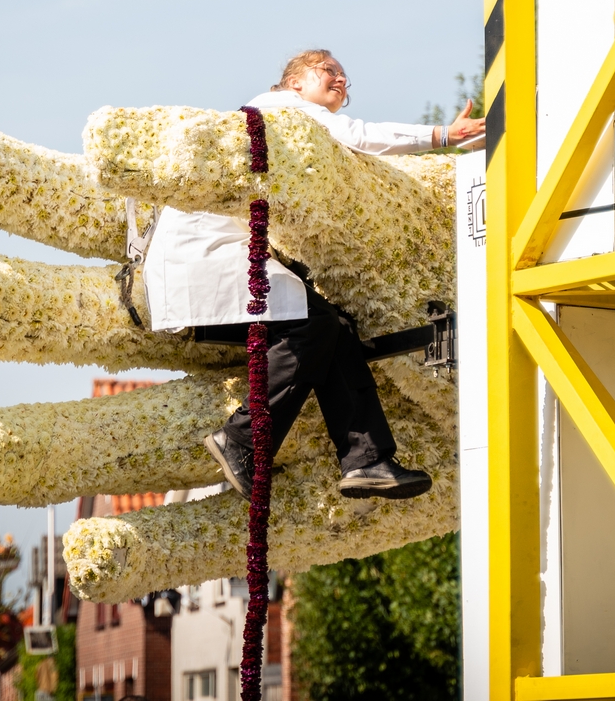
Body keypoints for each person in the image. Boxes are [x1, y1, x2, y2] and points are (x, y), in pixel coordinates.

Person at [140, 50, 485, 499]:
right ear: (295, 82)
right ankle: (243, 438)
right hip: (207, 256)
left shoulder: (290, 119)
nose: (342, 80)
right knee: (316, 326)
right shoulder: (283, 107)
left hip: (224, 255)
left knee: (334, 326)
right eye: (330, 71)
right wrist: (444, 135)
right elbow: (359, 135)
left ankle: (367, 460)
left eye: (345, 78)